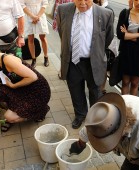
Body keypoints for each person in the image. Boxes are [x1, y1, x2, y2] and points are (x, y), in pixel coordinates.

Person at [69, 93, 139, 170]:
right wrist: (80, 144)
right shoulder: (106, 114)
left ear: (121, 132)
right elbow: (92, 127)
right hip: (136, 149)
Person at [56, 0, 114, 129]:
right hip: (72, 61)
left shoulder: (105, 14)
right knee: (75, 90)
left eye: (86, 0)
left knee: (95, 91)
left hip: (93, 62)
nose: (82, 3)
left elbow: (107, 38)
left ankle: (94, 118)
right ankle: (80, 115)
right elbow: (62, 33)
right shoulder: (63, 10)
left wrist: (96, 52)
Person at [0, 41, 51, 132]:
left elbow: (33, 77)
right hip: (25, 87)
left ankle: (40, 112)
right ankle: (17, 108)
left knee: (9, 117)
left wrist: (13, 86)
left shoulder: (7, 60)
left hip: (38, 92)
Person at [93, 0, 115, 95]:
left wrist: (102, 45)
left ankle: (101, 89)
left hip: (103, 44)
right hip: (93, 44)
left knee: (104, 66)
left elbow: (109, 32)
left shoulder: (108, 10)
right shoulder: (91, 6)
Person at [19, 0, 50, 68]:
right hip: (28, 16)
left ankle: (46, 57)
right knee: (30, 39)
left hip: (40, 15)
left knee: (43, 37)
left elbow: (44, 4)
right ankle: (33, 59)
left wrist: (37, 17)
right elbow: (22, 5)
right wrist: (32, 16)